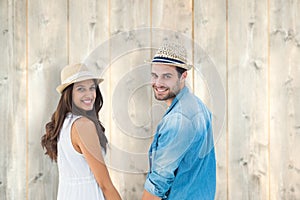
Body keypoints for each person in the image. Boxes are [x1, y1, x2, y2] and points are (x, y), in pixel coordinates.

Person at [142, 42, 216, 200]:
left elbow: (158, 182)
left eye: (167, 76)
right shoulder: (198, 106)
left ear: (183, 76)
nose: (158, 83)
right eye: (155, 75)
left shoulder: (179, 120)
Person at [41, 63, 121, 200]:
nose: (89, 94)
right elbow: (105, 184)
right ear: (69, 93)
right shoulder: (83, 125)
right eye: (81, 89)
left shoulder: (63, 123)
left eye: (92, 88)